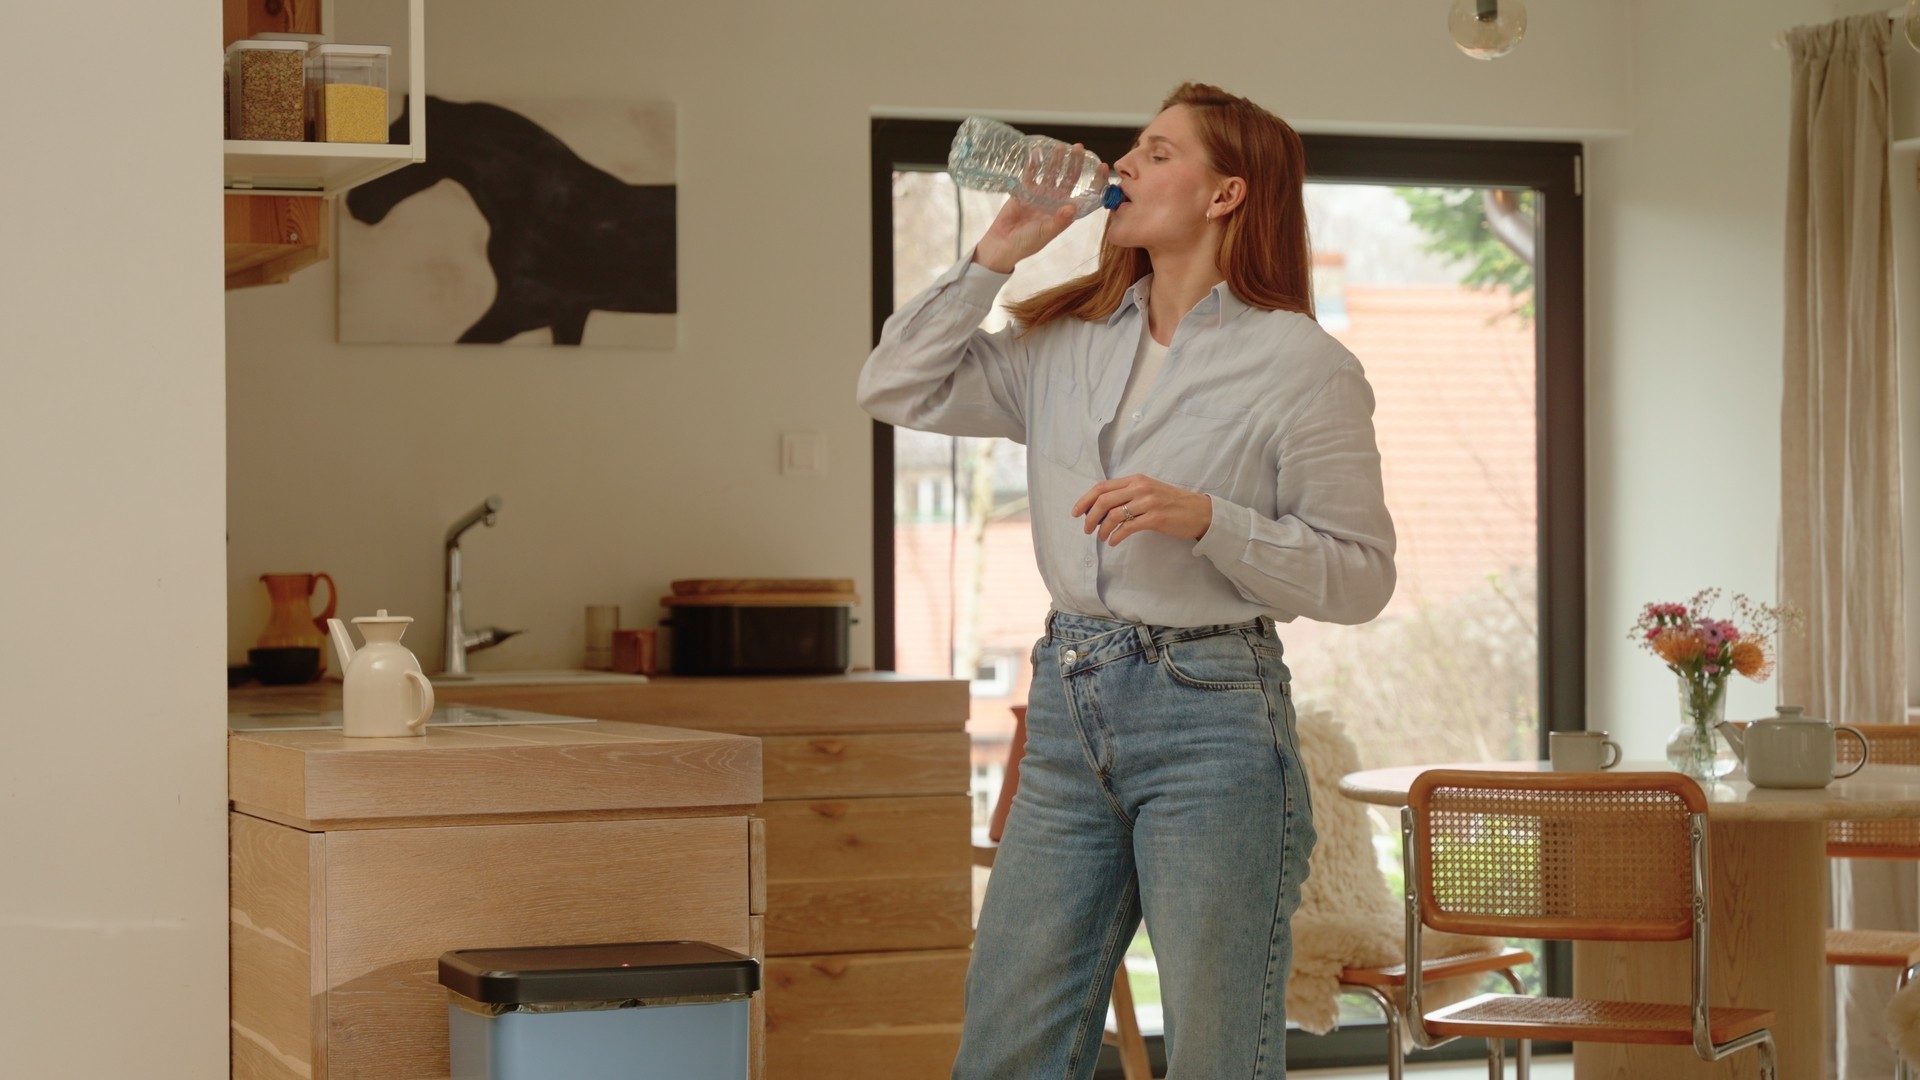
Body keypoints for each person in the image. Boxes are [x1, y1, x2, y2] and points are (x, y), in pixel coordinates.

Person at [857, 82, 1396, 1080]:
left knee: (1216, 1053)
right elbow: (893, 386)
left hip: (1217, 721)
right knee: (1006, 1045)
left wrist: (1209, 519)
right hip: (1069, 705)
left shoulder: (1302, 366)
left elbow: (1360, 577)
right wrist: (995, 256)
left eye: (1155, 153)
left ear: (1226, 193)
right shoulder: (1065, 340)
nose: (1121, 170)